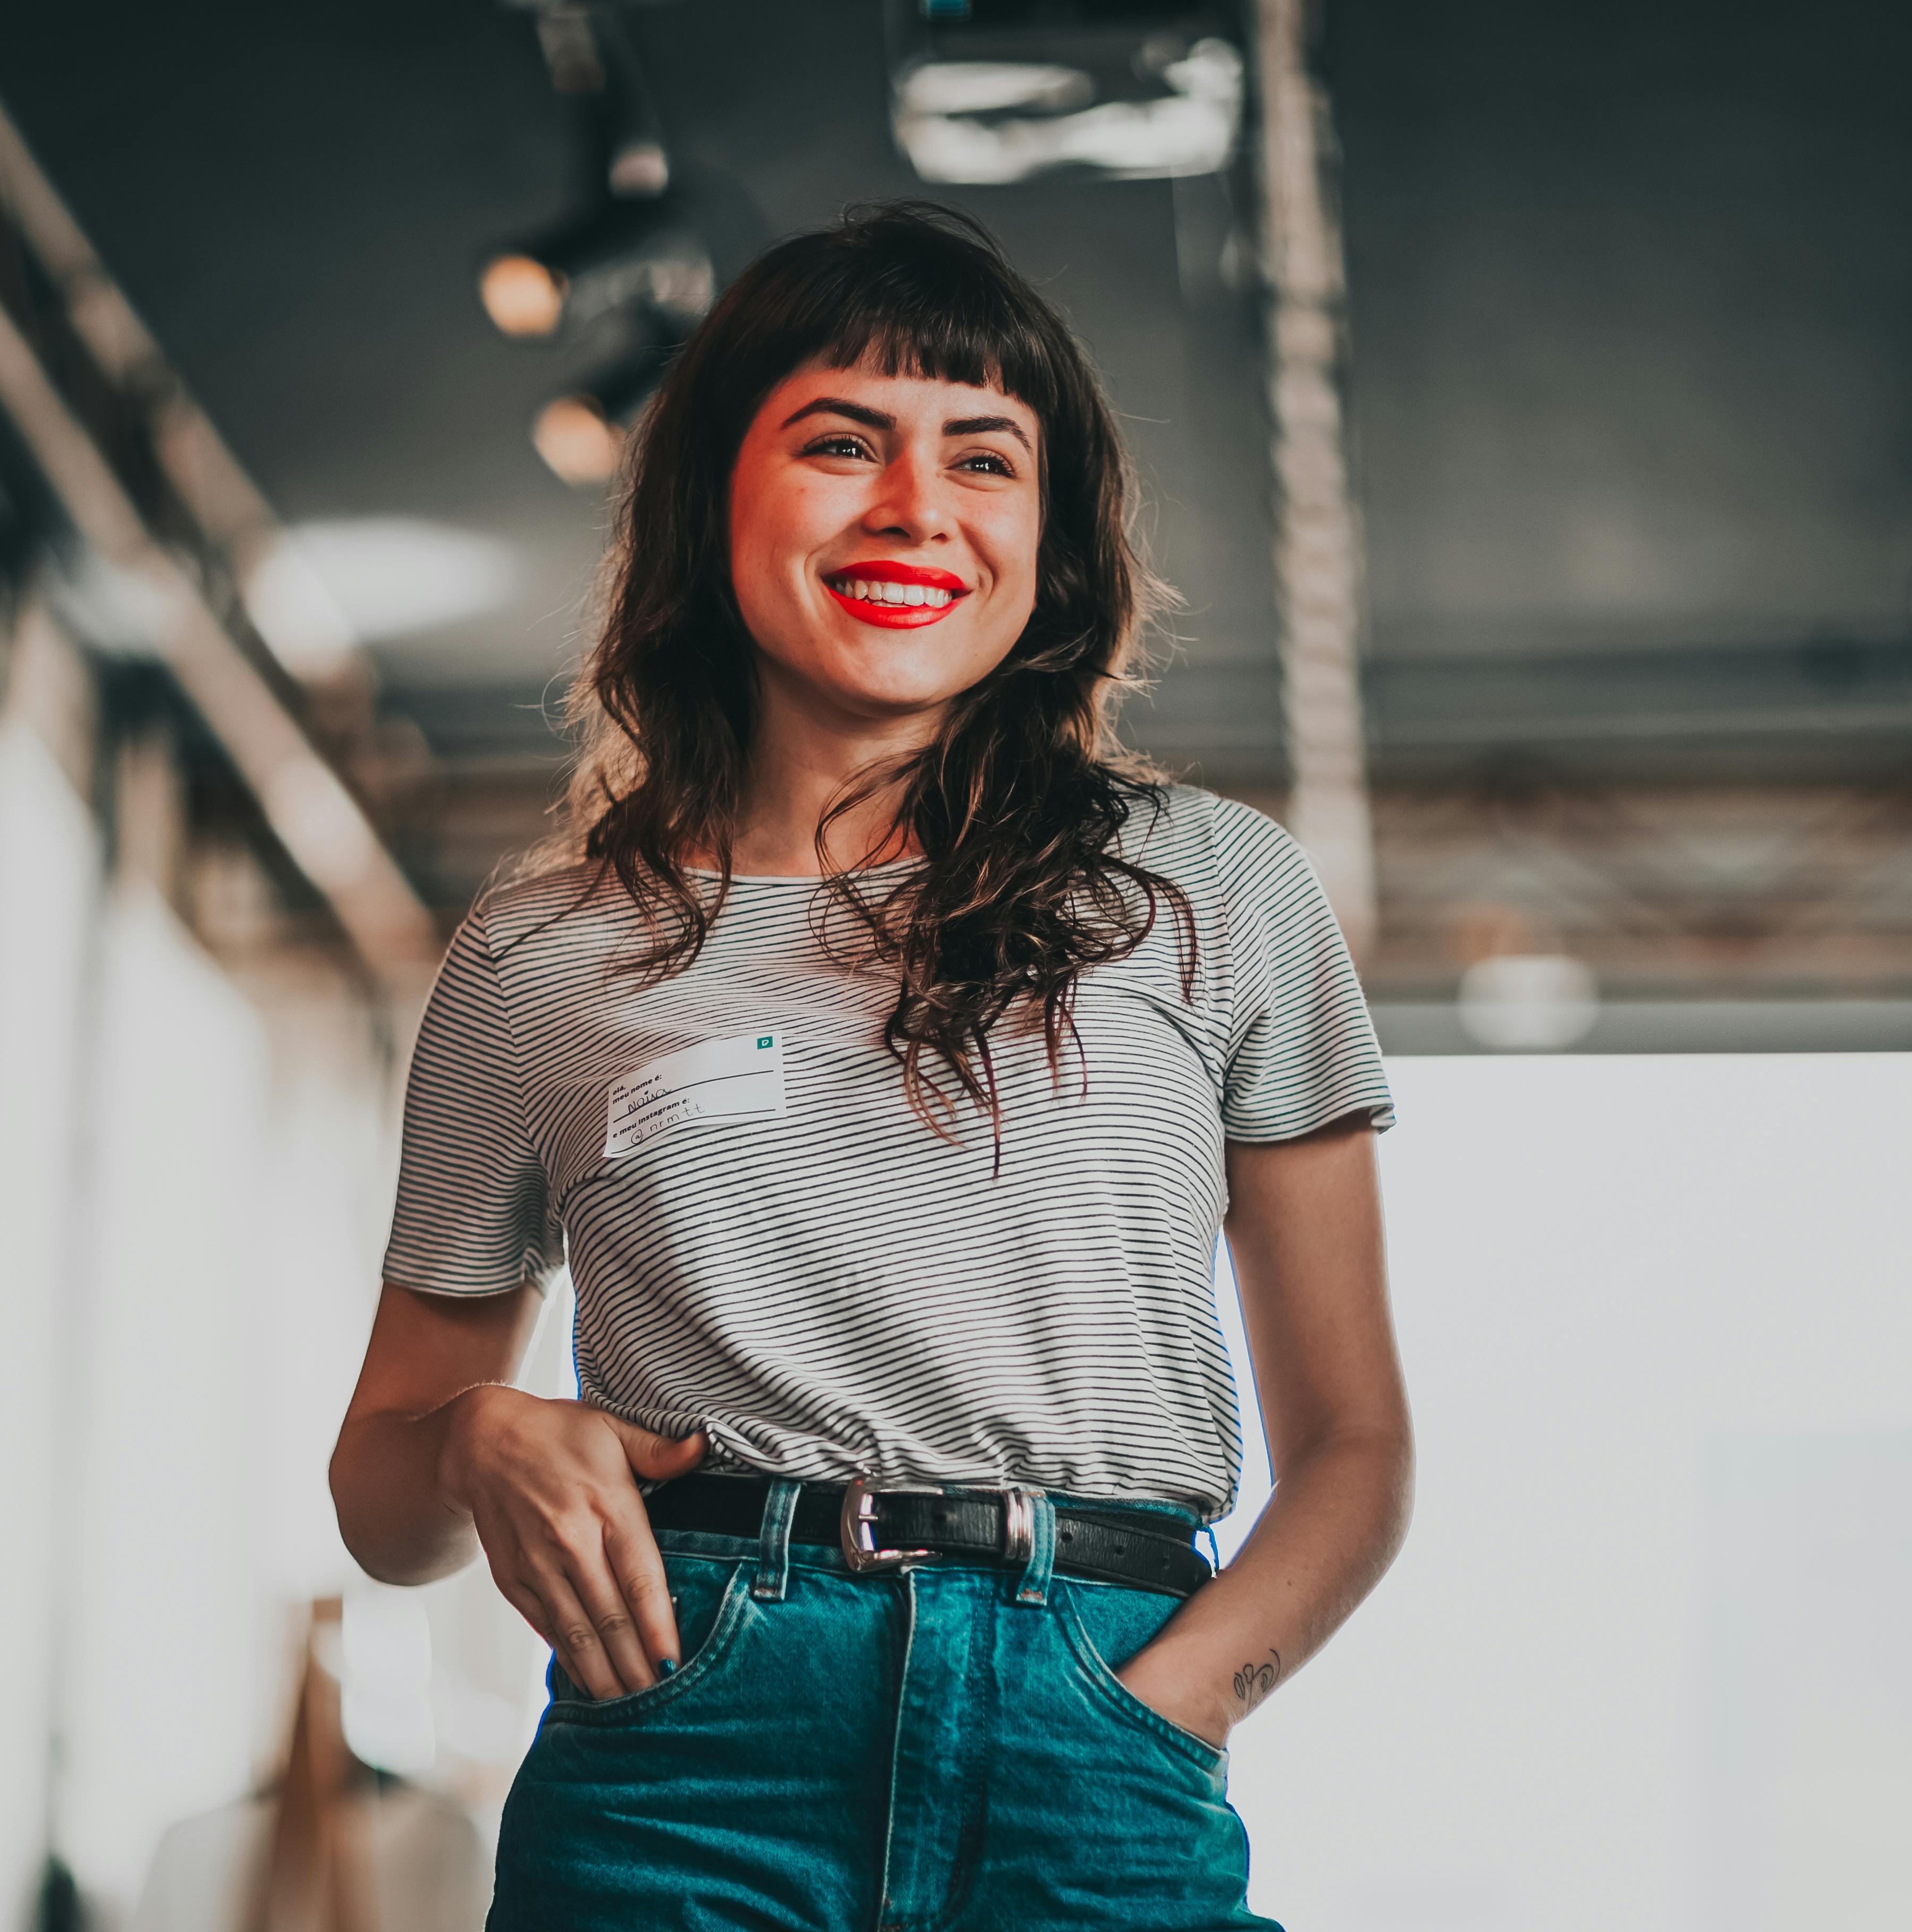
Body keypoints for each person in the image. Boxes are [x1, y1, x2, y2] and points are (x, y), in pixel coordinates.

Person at [330, 203, 1411, 1929]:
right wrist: (468, 1439)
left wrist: (1169, 1707)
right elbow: (382, 1497)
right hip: (686, 1747)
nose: (916, 508)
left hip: (1100, 1731)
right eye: (843, 443)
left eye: (984, 458)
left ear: (1048, 544)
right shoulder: (539, 956)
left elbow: (1355, 1445)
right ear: (713, 499)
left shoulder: (1217, 890)